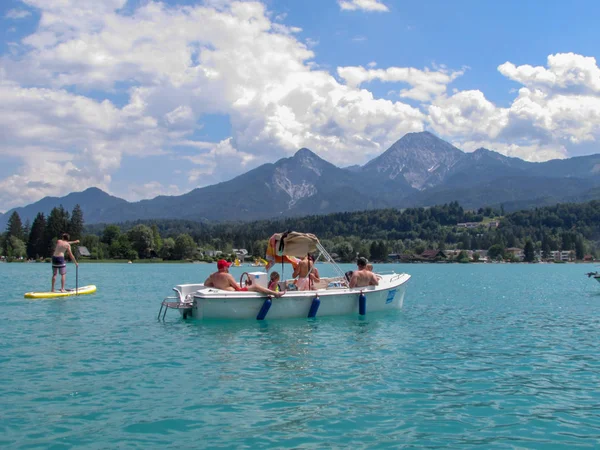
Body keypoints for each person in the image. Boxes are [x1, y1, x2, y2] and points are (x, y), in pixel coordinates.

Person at [204, 259, 284, 297]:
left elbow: (206, 284)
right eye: (227, 266)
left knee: (251, 286)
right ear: (224, 267)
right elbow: (238, 289)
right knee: (256, 286)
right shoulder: (227, 276)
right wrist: (249, 285)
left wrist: (218, 286)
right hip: (235, 294)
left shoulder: (212, 276)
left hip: (225, 293)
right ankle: (275, 293)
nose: (228, 268)